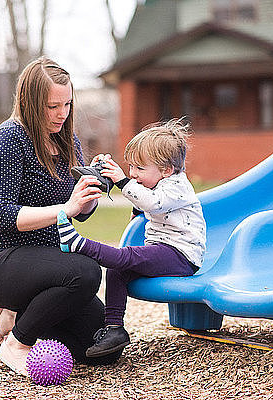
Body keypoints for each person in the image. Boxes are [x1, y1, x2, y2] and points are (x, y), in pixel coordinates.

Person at [0, 56, 122, 376]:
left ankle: (12, 319)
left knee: (101, 348)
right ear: (30, 102)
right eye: (52, 106)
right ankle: (16, 344)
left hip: (46, 265)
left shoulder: (68, 141)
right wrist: (66, 209)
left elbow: (76, 211)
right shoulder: (8, 139)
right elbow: (1, 215)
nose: (62, 114)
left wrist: (88, 196)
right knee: (87, 272)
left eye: (67, 104)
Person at [57, 119, 206, 357]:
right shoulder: (159, 182)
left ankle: (78, 244)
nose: (133, 174)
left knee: (124, 256)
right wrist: (106, 174)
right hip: (163, 249)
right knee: (117, 269)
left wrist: (121, 181)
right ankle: (114, 328)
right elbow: (141, 202)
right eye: (130, 167)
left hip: (180, 256)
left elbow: (152, 203)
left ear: (167, 170)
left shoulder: (177, 186)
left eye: (139, 168)